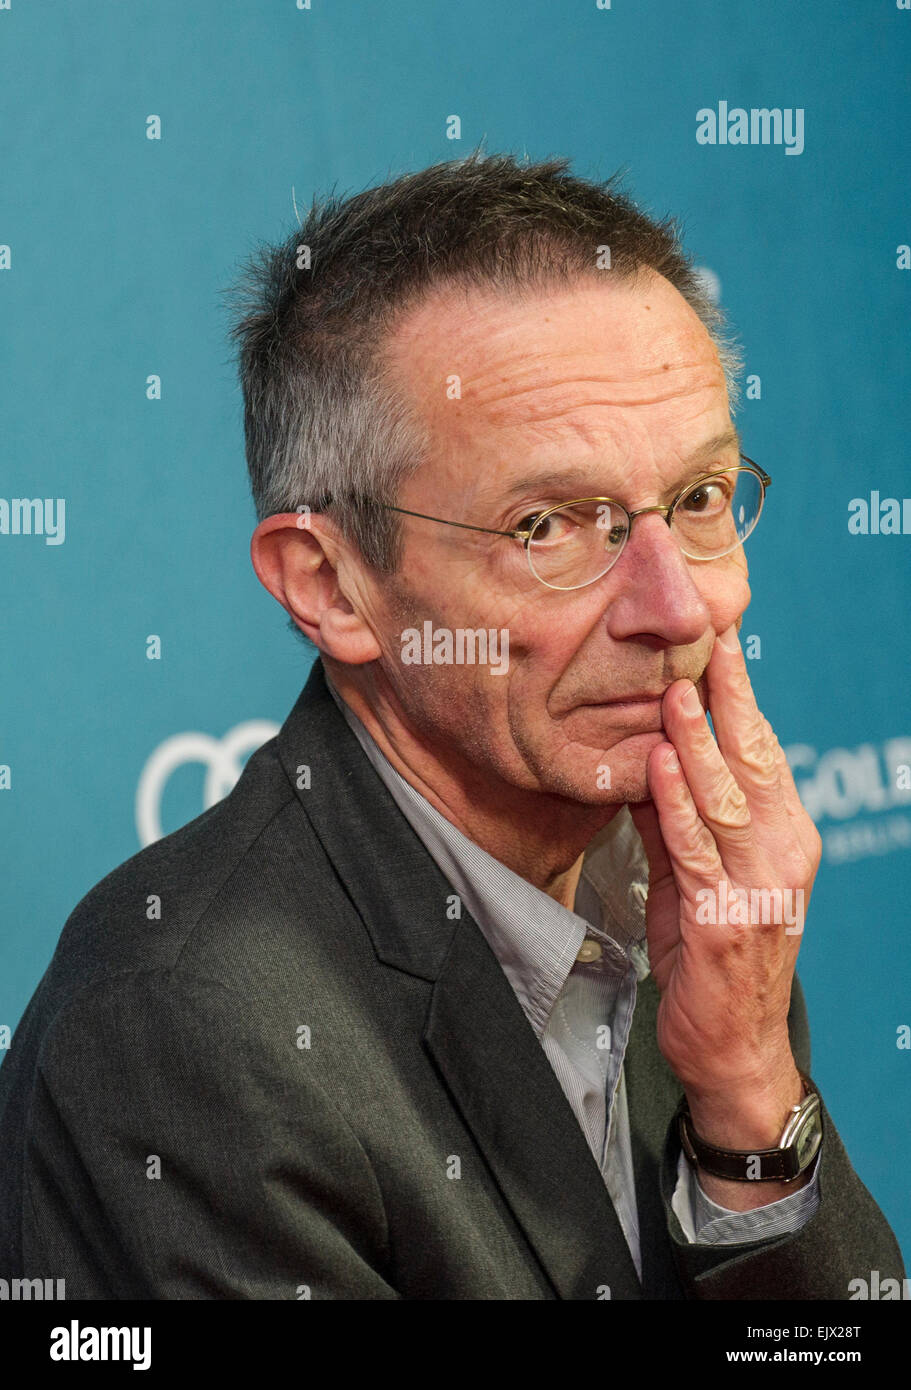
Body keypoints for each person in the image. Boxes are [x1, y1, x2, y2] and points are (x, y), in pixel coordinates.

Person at [0, 153, 903, 1299]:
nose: (677, 607)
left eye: (697, 500)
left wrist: (744, 1088)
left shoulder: (679, 890)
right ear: (329, 584)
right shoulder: (176, 1035)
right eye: (547, 526)